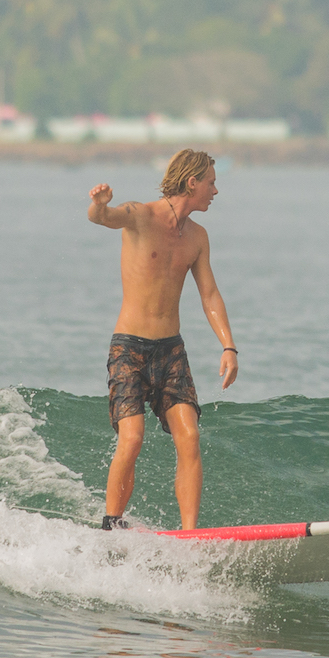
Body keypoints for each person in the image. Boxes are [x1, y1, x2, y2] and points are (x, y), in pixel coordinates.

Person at [86, 148, 238, 531]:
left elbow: (210, 295)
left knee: (189, 437)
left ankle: (190, 535)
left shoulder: (198, 237)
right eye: (211, 183)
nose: (215, 191)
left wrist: (228, 346)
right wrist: (99, 205)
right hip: (129, 347)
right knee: (132, 438)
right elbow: (103, 218)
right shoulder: (139, 216)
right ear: (192, 183)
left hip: (171, 351)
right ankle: (112, 524)